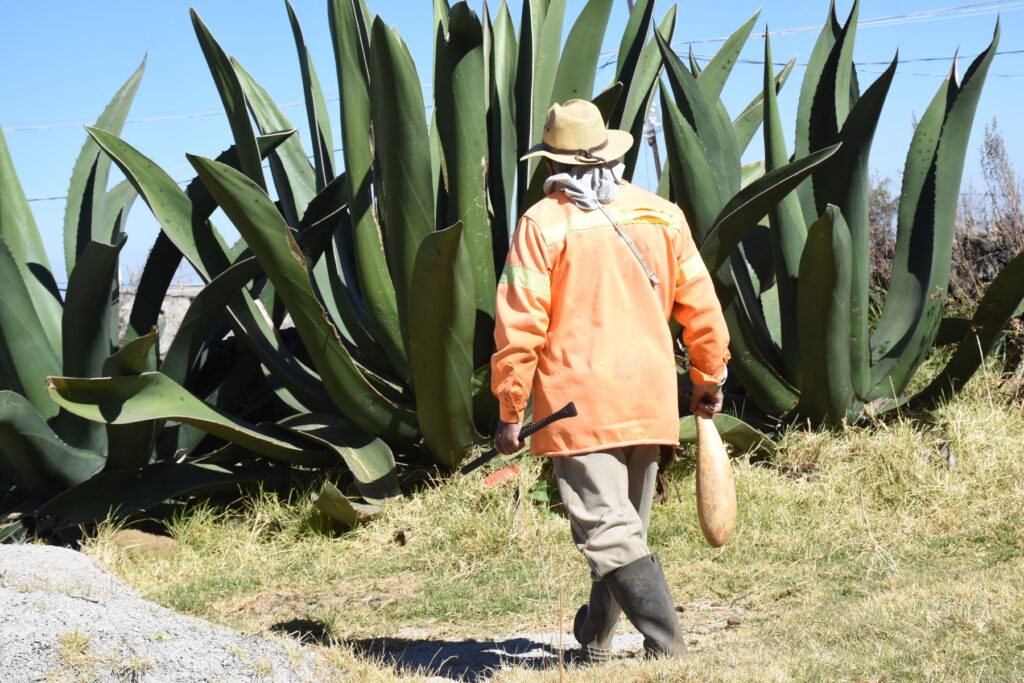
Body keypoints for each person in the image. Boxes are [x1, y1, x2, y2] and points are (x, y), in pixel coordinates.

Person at [490, 99, 731, 661]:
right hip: (649, 399)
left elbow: (519, 327)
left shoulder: (542, 224)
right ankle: (595, 641)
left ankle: (668, 648)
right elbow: (701, 305)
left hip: (578, 405)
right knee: (623, 531)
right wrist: (708, 376)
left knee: (609, 532)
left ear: (553, 162)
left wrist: (510, 410)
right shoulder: (661, 215)